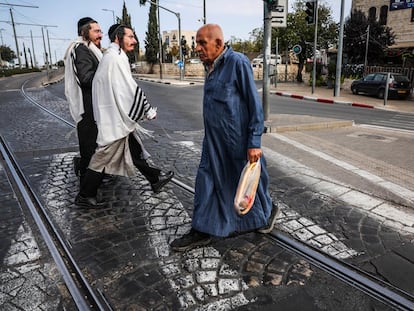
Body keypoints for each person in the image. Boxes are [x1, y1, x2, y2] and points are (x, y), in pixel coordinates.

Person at [170, 24, 279, 252]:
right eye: (196, 43)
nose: (197, 48)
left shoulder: (237, 62)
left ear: (218, 44)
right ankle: (201, 230)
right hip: (213, 142)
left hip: (236, 141)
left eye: (202, 43)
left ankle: (267, 211)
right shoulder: (210, 66)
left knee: (248, 185)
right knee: (206, 181)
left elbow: (254, 105)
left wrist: (254, 141)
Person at [75, 24, 173, 208]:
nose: (134, 40)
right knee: (103, 156)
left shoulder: (113, 56)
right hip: (113, 118)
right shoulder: (115, 58)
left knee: (133, 146)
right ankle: (85, 194)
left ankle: (154, 178)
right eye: (130, 36)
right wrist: (147, 109)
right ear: (118, 38)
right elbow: (129, 89)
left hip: (114, 115)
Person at [64, 17, 103, 183]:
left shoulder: (92, 49)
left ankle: (86, 170)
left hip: (95, 105)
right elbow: (86, 78)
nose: (101, 35)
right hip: (88, 107)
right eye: (96, 31)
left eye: (100, 31)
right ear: (84, 32)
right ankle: (86, 190)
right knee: (89, 146)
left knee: (94, 145)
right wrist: (106, 74)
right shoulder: (81, 49)